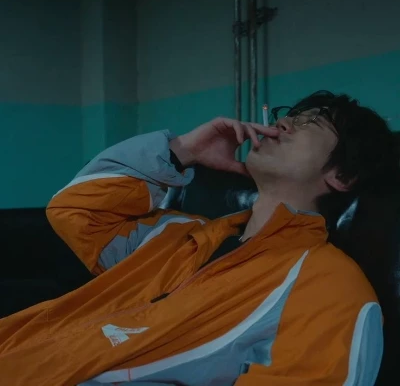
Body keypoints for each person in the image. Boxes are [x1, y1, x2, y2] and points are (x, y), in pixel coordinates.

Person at [0, 90, 397, 386]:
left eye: (312, 123)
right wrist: (182, 151)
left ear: (342, 175)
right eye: (288, 116)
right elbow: (75, 211)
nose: (284, 123)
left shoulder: (330, 289)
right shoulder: (175, 236)